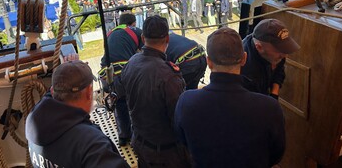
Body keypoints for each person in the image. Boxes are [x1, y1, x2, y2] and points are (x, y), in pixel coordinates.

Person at [174, 27, 285, 168]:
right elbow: (276, 154)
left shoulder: (186, 101)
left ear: (209, 62)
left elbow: (182, 140)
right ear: (244, 59)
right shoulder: (269, 107)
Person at [26, 60, 129, 168]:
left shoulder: (34, 119)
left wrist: (66, 74)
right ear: (90, 93)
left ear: (52, 91)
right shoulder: (92, 144)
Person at [121, 15, 190, 168]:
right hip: (166, 155)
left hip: (140, 144)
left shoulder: (131, 63)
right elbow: (178, 121)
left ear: (143, 37)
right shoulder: (168, 76)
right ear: (167, 39)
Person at [99, 13, 143, 146]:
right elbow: (145, 52)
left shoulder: (110, 33)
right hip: (126, 73)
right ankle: (139, 136)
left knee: (119, 102)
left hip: (108, 75)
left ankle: (124, 137)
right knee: (136, 102)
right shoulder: (135, 31)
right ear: (133, 23)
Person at [241, 18, 300, 98]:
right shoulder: (246, 70)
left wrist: (274, 94)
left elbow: (279, 71)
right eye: (280, 50)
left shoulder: (277, 53)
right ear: (259, 47)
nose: (285, 55)